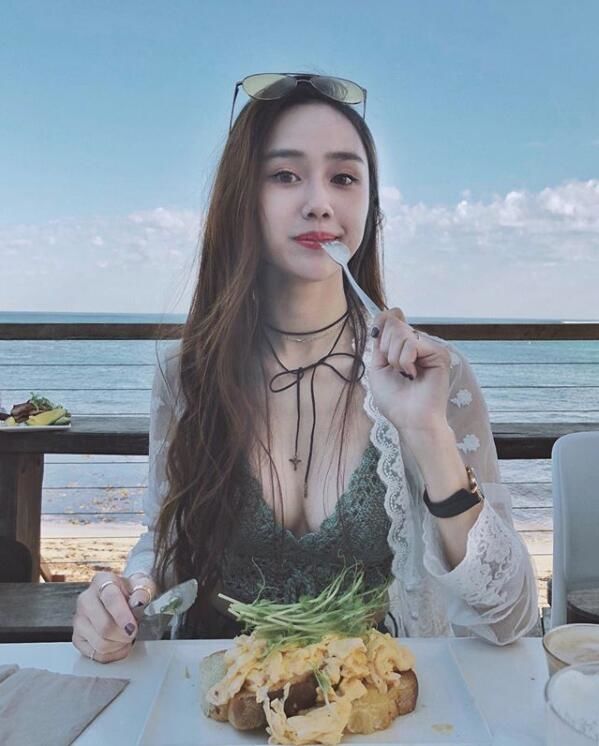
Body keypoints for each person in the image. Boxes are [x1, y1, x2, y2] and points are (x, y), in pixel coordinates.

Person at [72, 73, 539, 663]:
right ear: (243, 199)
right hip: (216, 697)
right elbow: (163, 547)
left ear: (370, 208)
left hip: (377, 700)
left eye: (344, 178)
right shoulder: (185, 372)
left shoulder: (434, 377)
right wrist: (126, 597)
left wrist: (427, 433)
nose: (319, 202)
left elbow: (510, 617)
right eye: (285, 175)